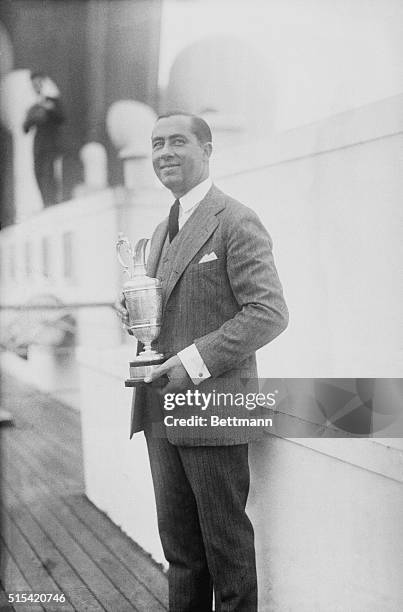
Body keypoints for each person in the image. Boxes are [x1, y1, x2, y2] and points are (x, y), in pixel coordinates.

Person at [117, 112, 288, 611]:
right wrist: (135, 313)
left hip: (214, 410)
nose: (164, 152)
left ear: (208, 150)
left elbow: (269, 313)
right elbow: (168, 312)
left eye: (177, 141)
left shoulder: (235, 219)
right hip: (159, 411)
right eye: (155, 144)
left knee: (227, 553)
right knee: (182, 554)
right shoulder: (161, 228)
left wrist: (191, 361)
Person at [23, 71, 65, 206]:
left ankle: (53, 203)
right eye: (34, 84)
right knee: (38, 173)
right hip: (39, 144)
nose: (37, 87)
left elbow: (62, 118)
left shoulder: (54, 101)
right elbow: (25, 128)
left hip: (52, 143)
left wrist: (50, 109)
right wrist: (31, 117)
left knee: (49, 174)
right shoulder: (34, 105)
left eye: (39, 83)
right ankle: (45, 203)